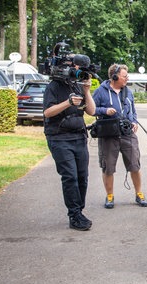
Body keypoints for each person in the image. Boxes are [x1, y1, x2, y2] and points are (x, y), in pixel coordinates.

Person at [43, 59, 96, 231]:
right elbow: (48, 112)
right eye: (72, 65)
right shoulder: (53, 87)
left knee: (82, 176)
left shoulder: (76, 85)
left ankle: (79, 211)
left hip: (79, 138)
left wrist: (87, 91)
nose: (76, 68)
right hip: (59, 138)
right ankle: (74, 215)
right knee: (70, 177)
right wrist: (68, 102)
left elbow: (92, 111)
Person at [90, 64, 147, 209]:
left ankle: (139, 194)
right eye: (124, 76)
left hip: (127, 134)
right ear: (115, 77)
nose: (127, 78)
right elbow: (90, 109)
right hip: (109, 135)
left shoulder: (128, 92)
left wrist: (134, 122)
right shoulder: (100, 92)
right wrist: (104, 110)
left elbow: (133, 111)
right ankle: (110, 196)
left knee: (135, 165)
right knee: (108, 167)